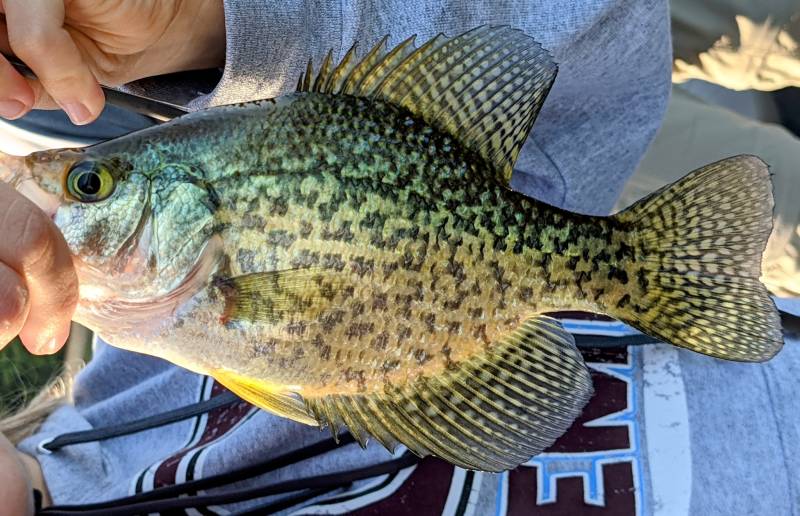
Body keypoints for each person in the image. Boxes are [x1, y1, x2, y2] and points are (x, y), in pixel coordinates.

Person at [0, 0, 693, 514]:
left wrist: (203, 22)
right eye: (88, 186)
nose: (65, 201)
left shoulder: (125, 372)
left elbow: (591, 54)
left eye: (90, 187)